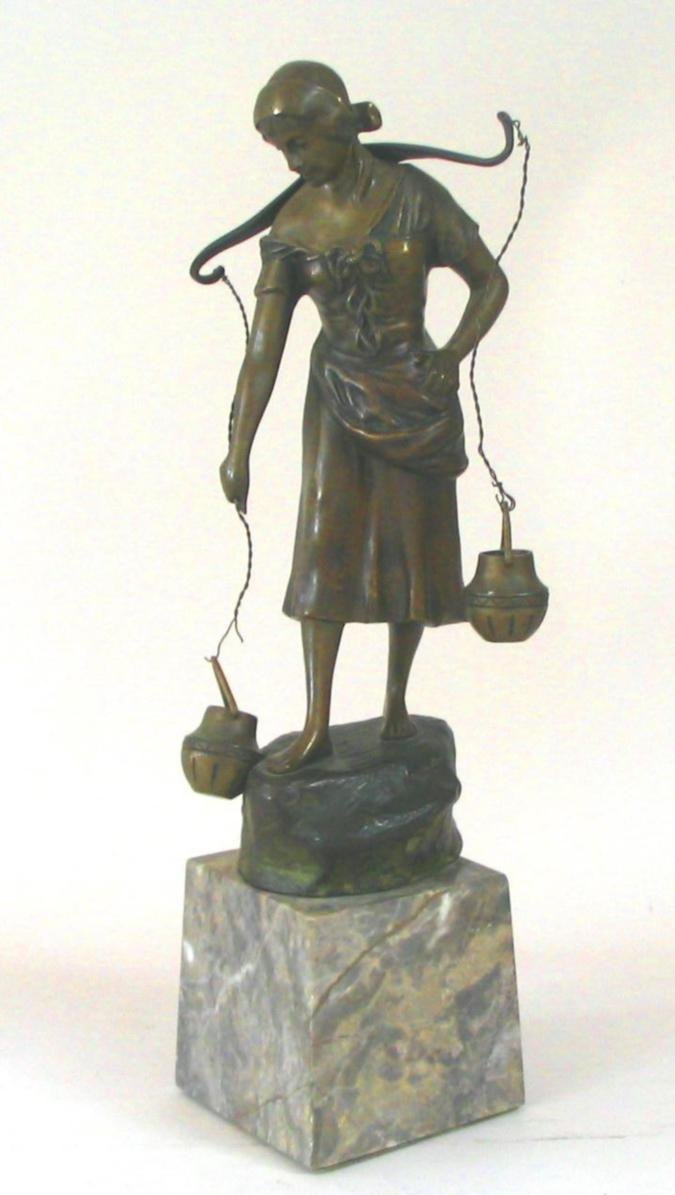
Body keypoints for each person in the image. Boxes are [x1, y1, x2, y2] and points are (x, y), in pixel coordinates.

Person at [221, 62, 508, 773]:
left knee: (413, 552)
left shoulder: (415, 198)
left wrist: (453, 354)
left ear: (338, 125)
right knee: (324, 551)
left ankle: (395, 704)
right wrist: (238, 447)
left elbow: (490, 281)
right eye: (280, 149)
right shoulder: (292, 226)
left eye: (299, 143)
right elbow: (263, 349)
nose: (292, 162)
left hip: (415, 393)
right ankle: (316, 723)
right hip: (337, 398)